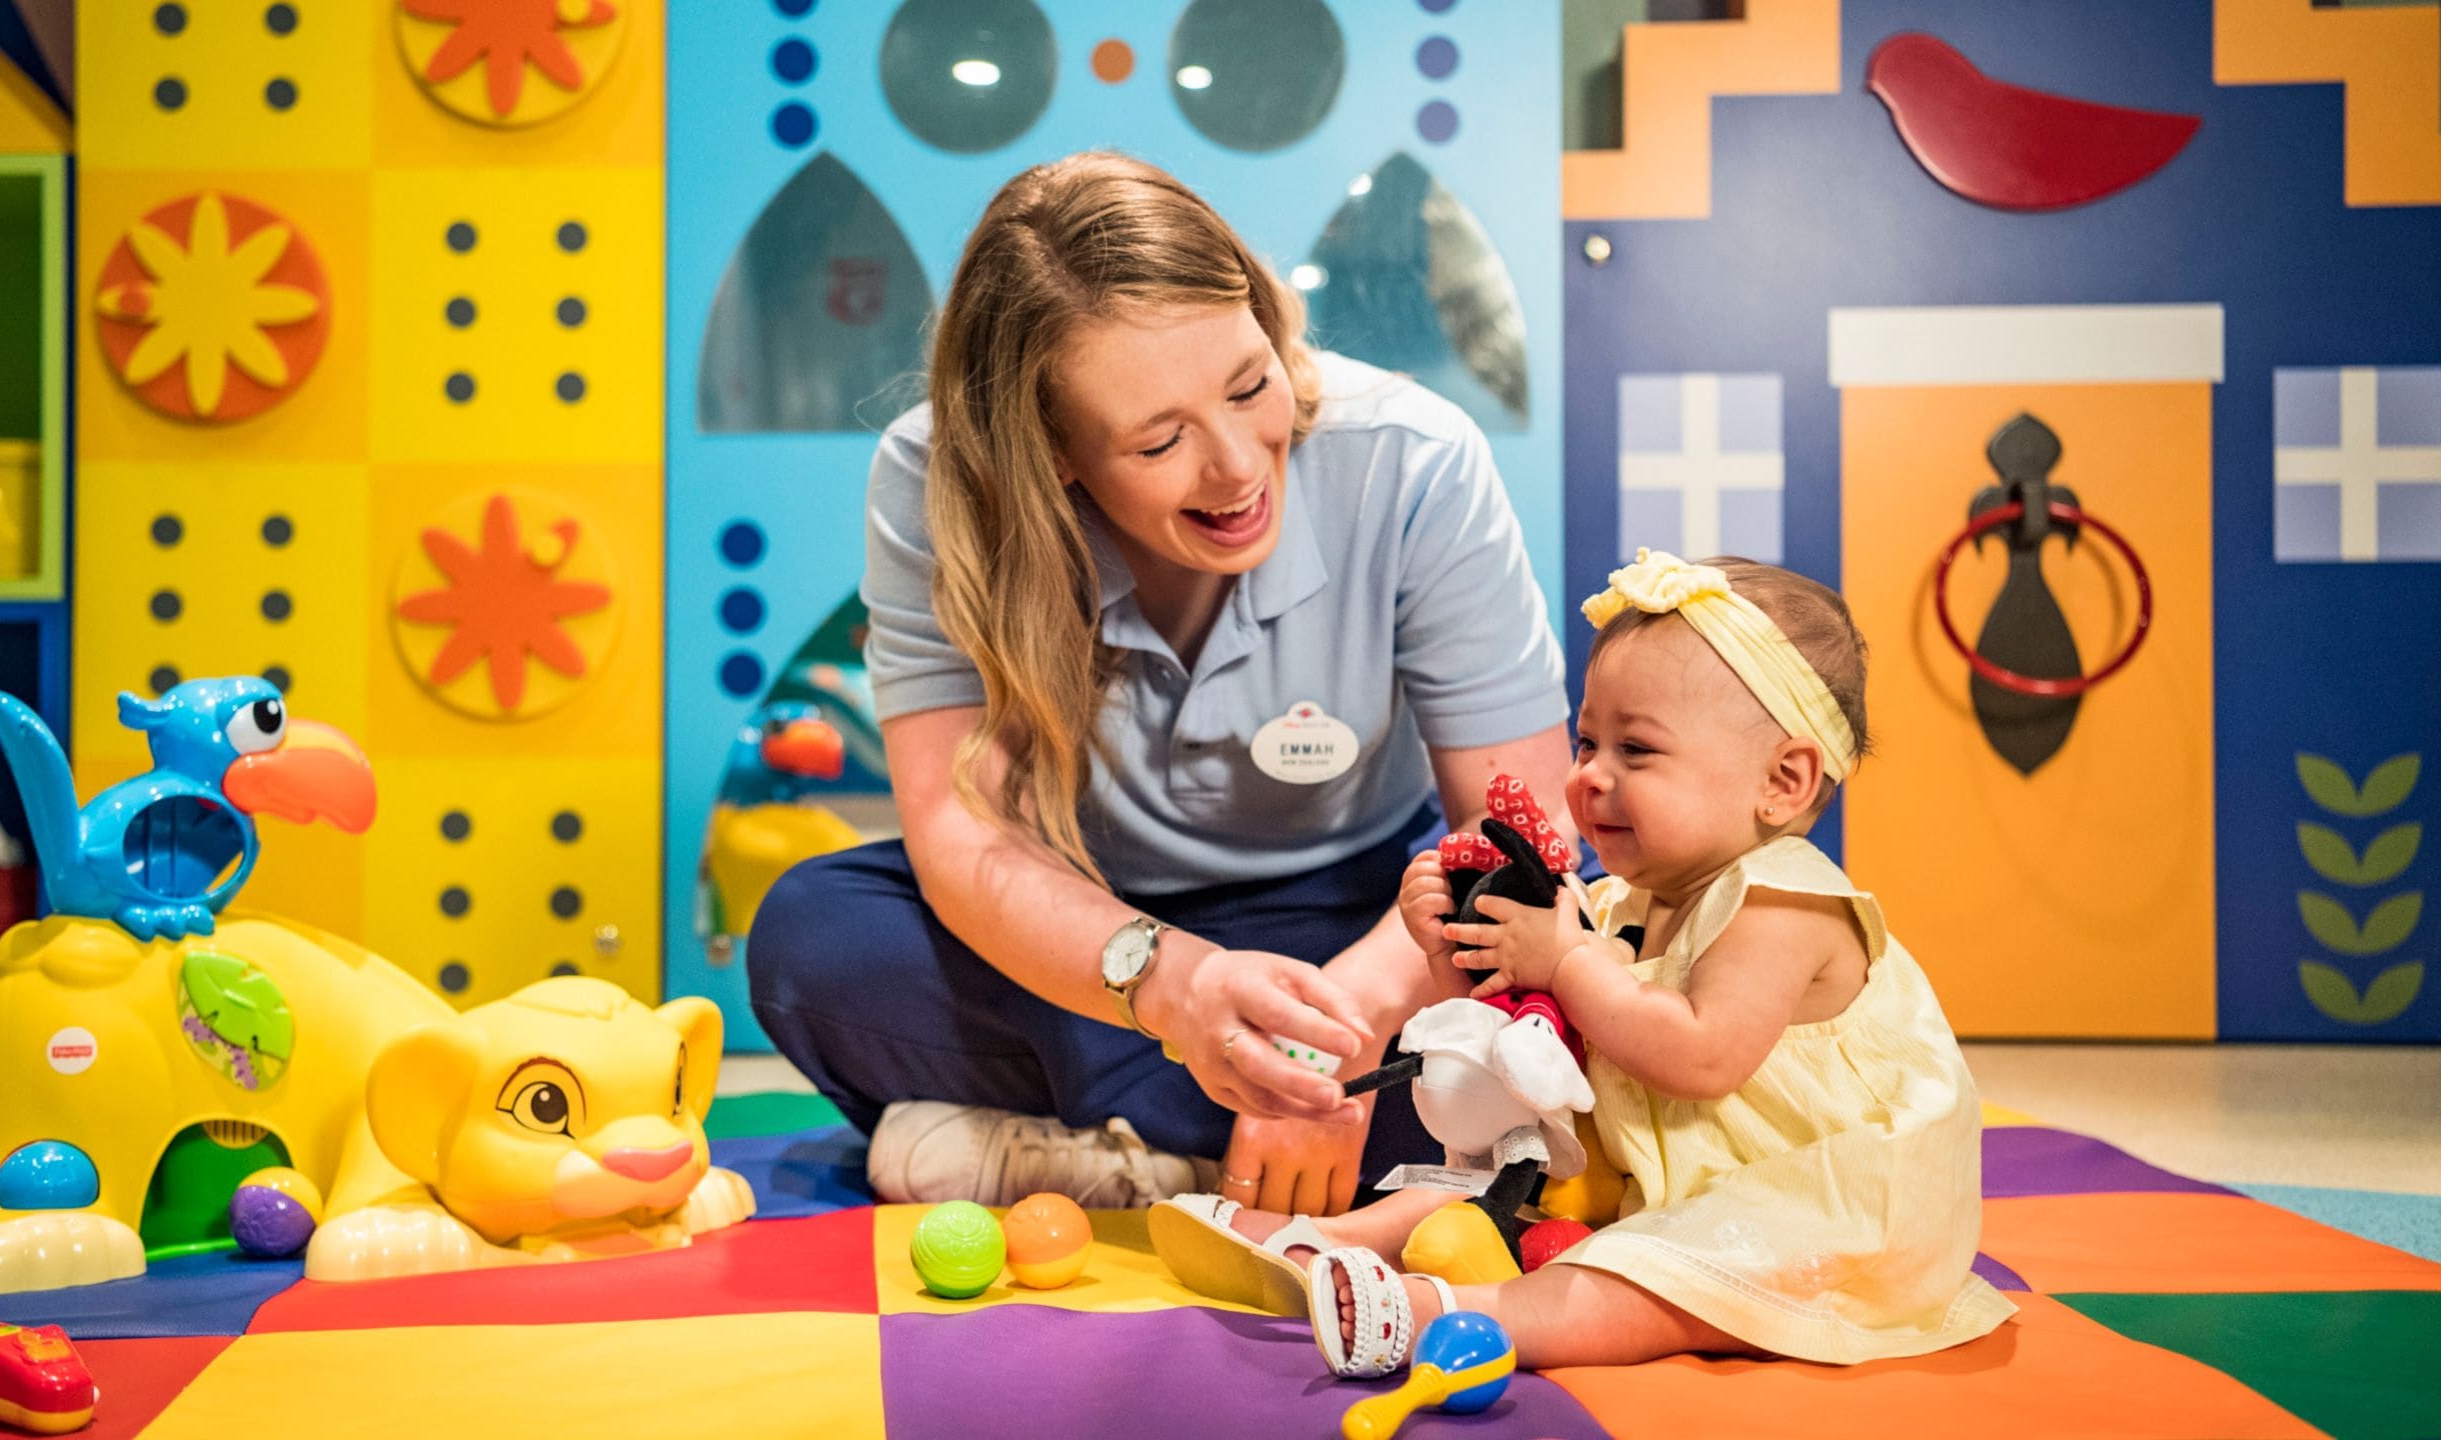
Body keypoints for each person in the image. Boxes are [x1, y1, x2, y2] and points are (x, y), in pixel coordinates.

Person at [746, 151, 1575, 1218]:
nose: (1237, 465)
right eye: (1158, 439)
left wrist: (1334, 1037)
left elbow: (1524, 821)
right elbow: (963, 840)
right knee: (812, 942)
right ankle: (1250, 1156)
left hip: (1365, 917)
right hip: (1089, 929)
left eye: (1249, 385)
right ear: (1050, 454)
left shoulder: (1413, 460)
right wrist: (1172, 987)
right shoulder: (934, 482)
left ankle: (1120, 1159)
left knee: (1550, 1019)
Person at [1150, 550, 2017, 1376]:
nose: (1590, 778)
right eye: (1586, 743)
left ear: (1783, 782)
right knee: (1498, 1173)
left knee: (1643, 1283)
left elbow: (1700, 1055)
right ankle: (1323, 1245)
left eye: (1635, 751)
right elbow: (1521, 1042)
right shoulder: (1625, 904)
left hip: (1818, 1212)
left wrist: (1566, 958)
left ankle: (1450, 1314)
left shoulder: (1782, 902)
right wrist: (1451, 954)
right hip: (1660, 1175)